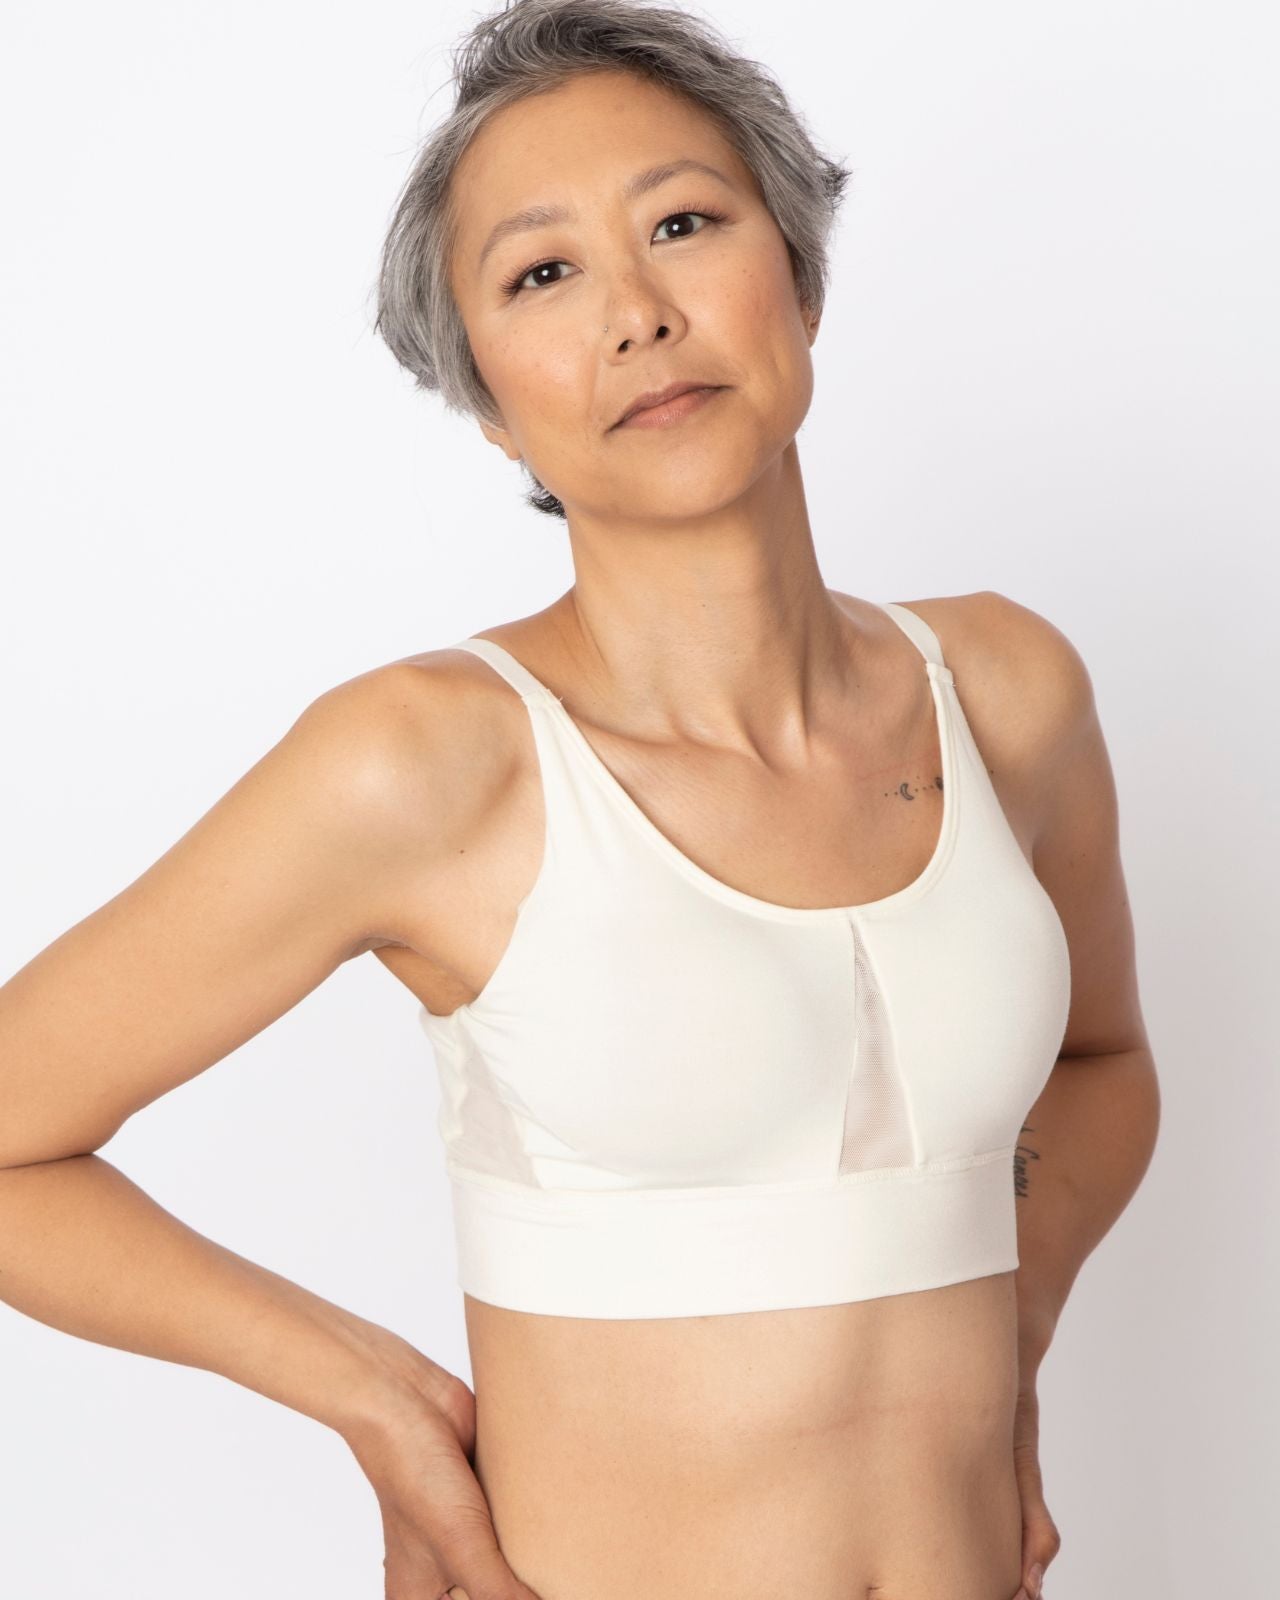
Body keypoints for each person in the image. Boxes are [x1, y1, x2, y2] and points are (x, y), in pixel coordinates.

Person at [0, 1, 1161, 1597]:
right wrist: (377, 1399)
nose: (638, 315)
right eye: (543, 274)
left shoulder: (1010, 693)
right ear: (487, 397)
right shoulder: (429, 762)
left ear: (800, 280)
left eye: (683, 224)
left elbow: (1101, 1064)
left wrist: (1011, 1320)